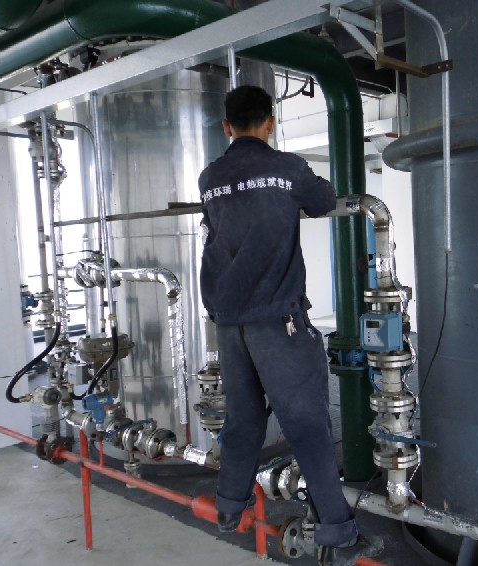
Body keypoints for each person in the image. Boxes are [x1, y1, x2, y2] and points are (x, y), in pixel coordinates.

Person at [198, 85, 383, 566]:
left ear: (227, 127)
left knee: (243, 418)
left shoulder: (209, 176)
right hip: (277, 319)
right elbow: (323, 201)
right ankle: (338, 533)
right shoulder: (287, 168)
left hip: (228, 320)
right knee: (307, 425)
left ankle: (229, 506)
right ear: (270, 123)